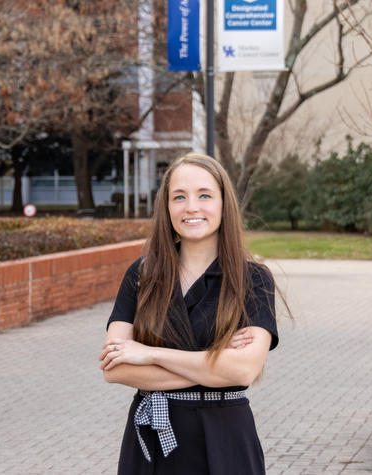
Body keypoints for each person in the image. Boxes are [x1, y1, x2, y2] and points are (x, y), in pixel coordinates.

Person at [99, 153, 280, 474]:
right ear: (166, 207)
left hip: (225, 441)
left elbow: (242, 372)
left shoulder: (253, 279)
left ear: (224, 205)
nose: (191, 207)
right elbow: (116, 369)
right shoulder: (141, 275)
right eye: (179, 197)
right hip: (151, 443)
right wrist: (214, 368)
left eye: (205, 196)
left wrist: (148, 354)